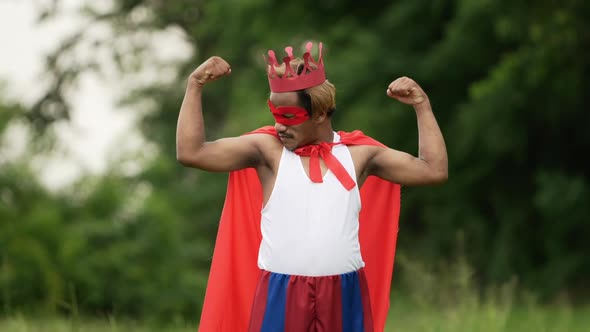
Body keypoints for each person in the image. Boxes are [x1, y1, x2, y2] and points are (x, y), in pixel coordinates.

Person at [176, 42, 447, 332]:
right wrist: (194, 86)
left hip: (343, 291)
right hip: (281, 291)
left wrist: (422, 105)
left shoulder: (358, 154)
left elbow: (433, 170)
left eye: (289, 116)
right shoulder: (267, 151)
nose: (279, 126)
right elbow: (191, 153)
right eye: (275, 114)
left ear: (320, 114)